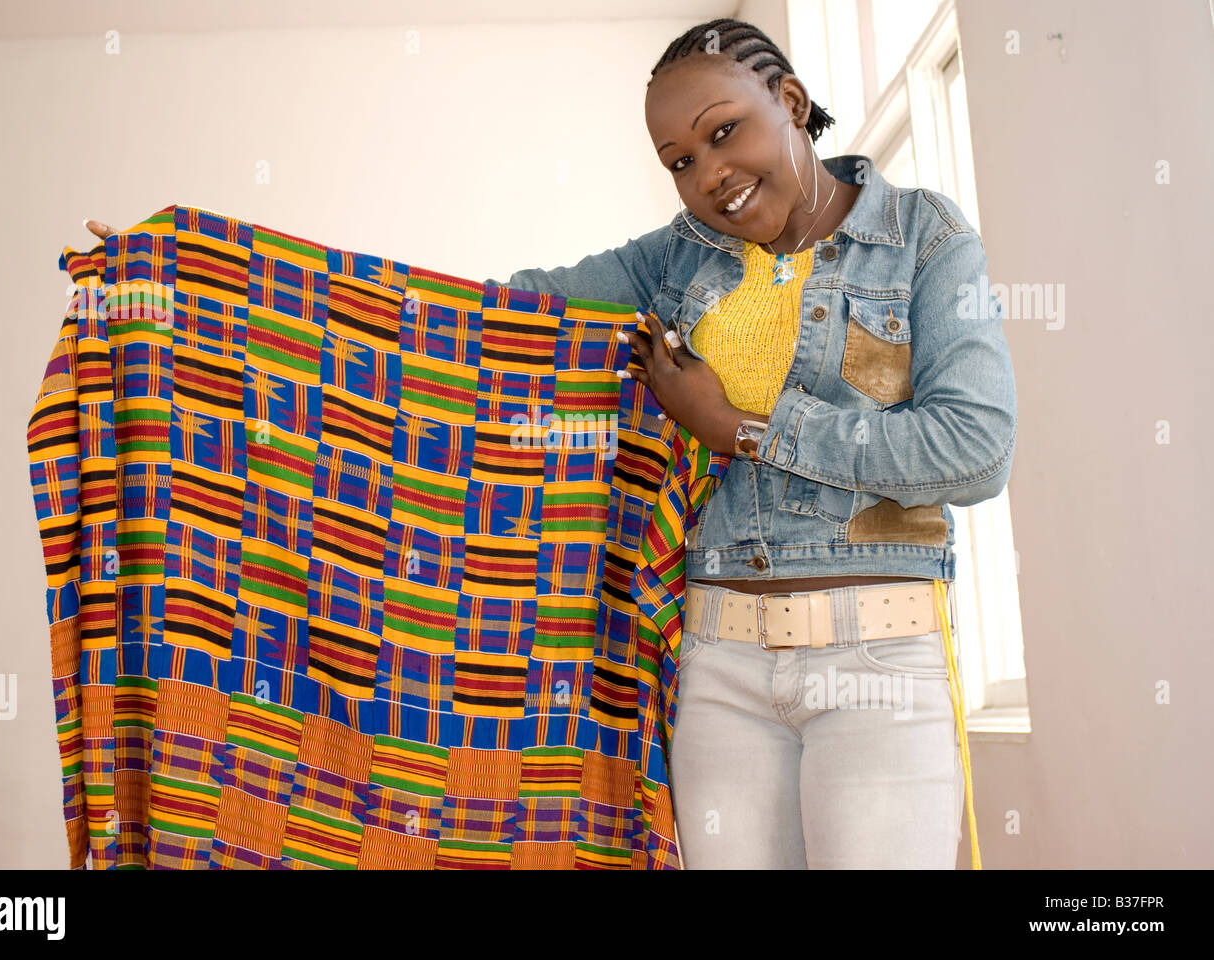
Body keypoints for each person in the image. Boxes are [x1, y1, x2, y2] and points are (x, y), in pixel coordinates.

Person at [84, 17, 1017, 869]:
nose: (708, 174)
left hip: (878, 659)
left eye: (723, 130)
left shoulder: (921, 238)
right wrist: (200, 277)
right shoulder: (676, 256)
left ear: (793, 104)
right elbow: (484, 313)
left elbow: (974, 449)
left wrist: (735, 429)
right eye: (679, 159)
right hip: (718, 666)